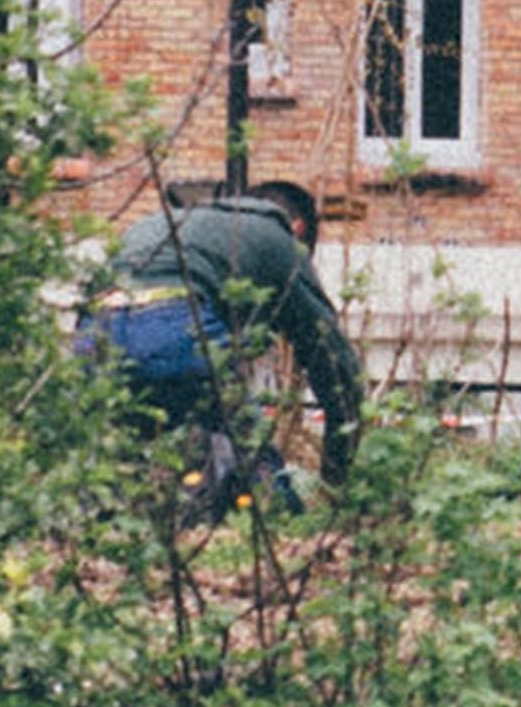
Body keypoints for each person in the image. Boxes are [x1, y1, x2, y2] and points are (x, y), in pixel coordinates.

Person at [76, 179, 362, 521]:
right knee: (251, 455)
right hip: (174, 327)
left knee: (119, 464)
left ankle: (96, 534)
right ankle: (286, 523)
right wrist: (337, 480)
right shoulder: (279, 239)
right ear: (298, 229)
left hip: (94, 333)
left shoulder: (174, 225)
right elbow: (334, 364)